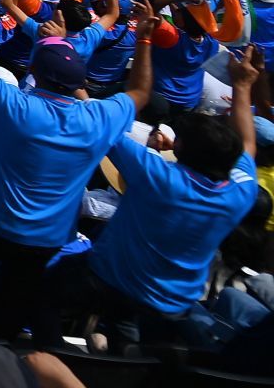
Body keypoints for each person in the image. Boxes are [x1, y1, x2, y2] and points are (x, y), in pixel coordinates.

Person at [0, 0, 151, 340]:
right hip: (43, 238)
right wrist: (145, 39)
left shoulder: (12, 102)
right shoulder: (99, 117)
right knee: (12, 310)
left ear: (36, 71)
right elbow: (139, 93)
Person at [38, 47, 264, 349]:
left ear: (181, 151)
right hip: (169, 303)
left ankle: (53, 353)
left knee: (37, 290)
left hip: (108, 279)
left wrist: (79, 92)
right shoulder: (240, 191)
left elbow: (107, 129)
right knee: (134, 355)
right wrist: (243, 85)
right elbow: (247, 144)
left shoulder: (157, 174)